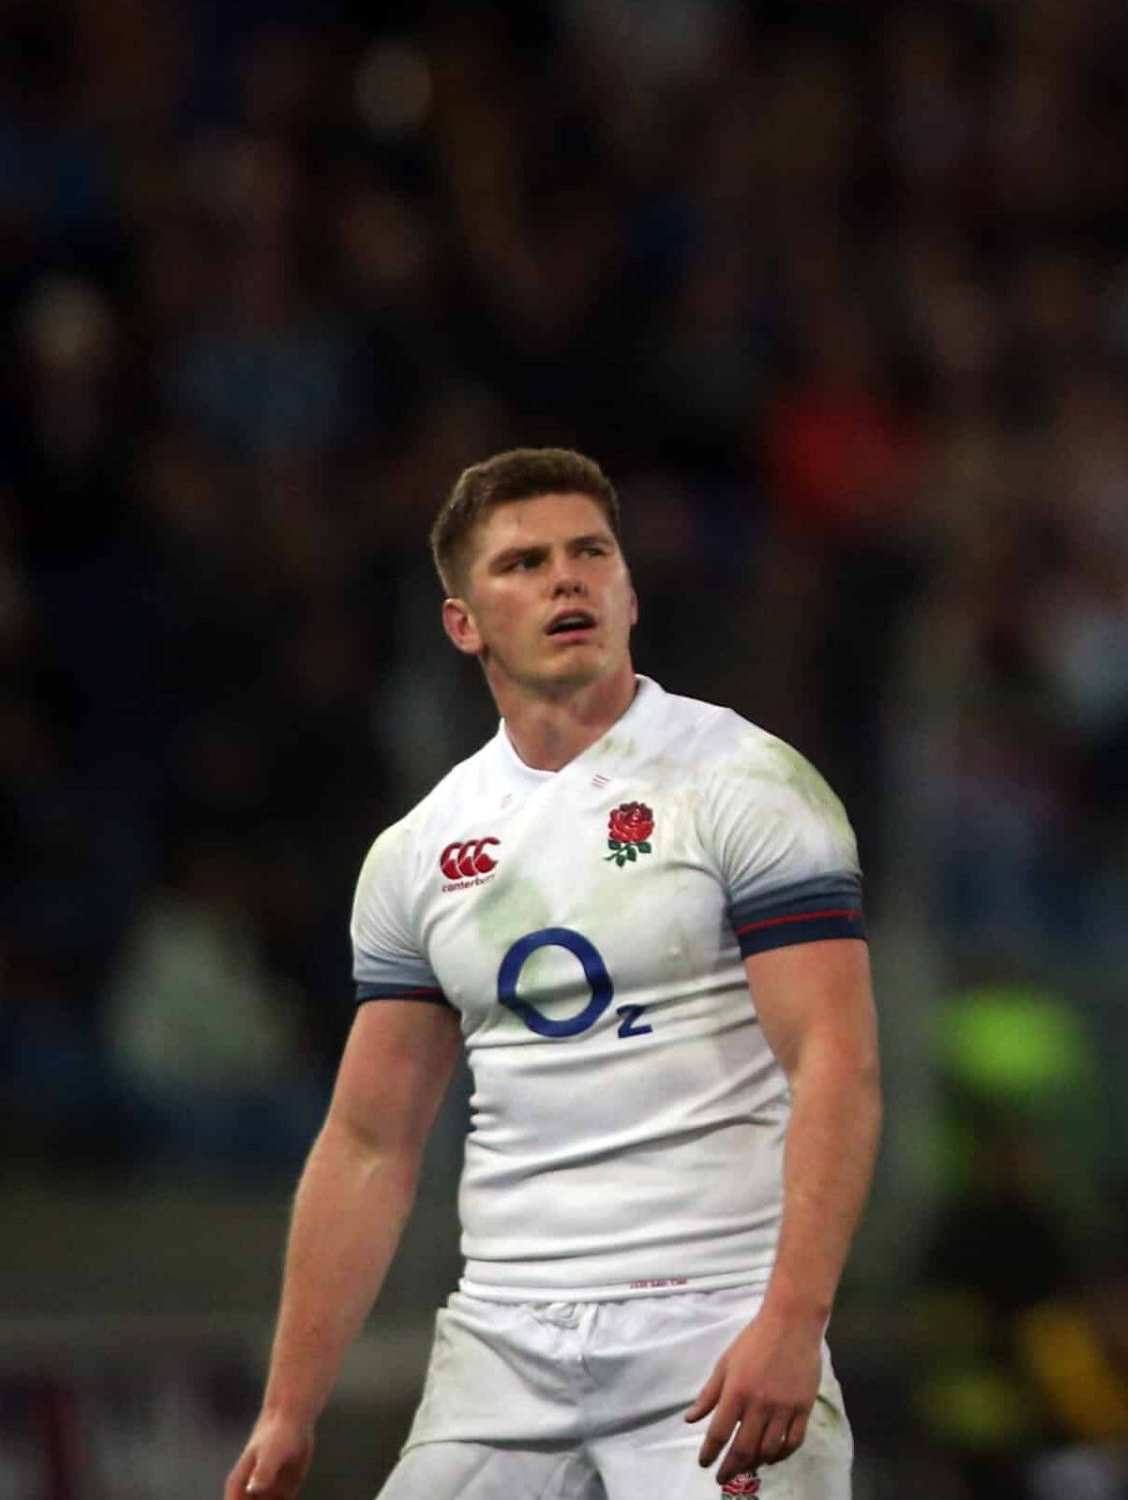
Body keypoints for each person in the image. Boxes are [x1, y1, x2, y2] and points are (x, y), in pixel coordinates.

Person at [223, 448, 882, 1500]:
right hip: (500, 1344)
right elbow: (368, 1142)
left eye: (591, 553)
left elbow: (835, 1060)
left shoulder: (747, 785)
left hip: (713, 1324)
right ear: (463, 625)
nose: (566, 579)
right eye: (524, 563)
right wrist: (289, 1407)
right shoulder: (419, 851)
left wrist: (793, 1319)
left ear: (628, 589)